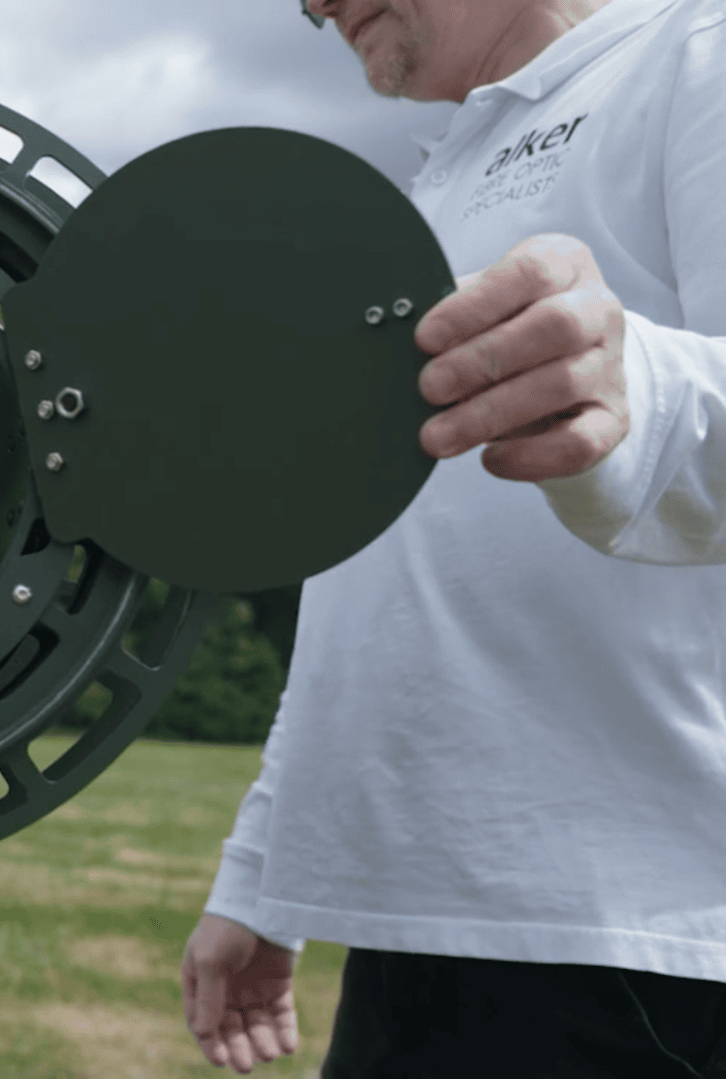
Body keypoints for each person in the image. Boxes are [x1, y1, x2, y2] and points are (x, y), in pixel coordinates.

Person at [180, 0, 726, 1074]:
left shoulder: (692, 55)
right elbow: (382, 569)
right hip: (409, 927)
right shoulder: (428, 186)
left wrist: (636, 385)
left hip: (635, 942)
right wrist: (260, 868)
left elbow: (660, 402)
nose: (308, 5)